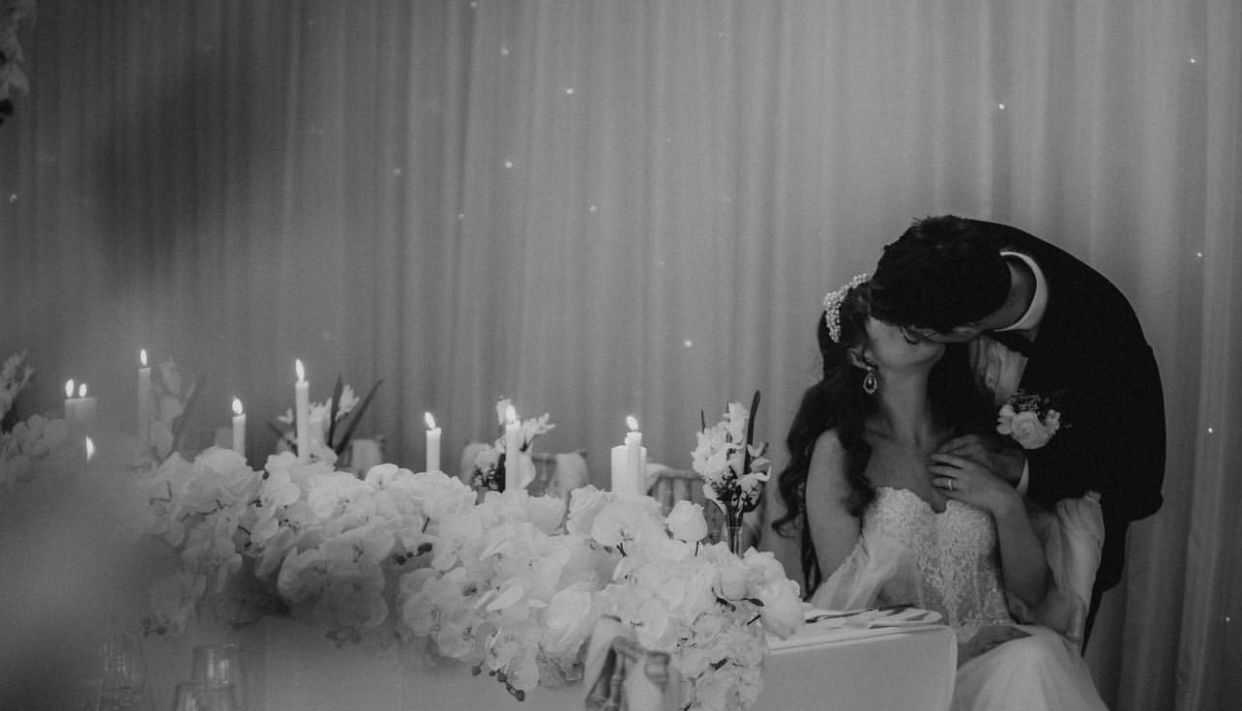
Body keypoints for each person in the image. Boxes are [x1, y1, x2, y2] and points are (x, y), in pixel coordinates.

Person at [773, 276, 1108, 710]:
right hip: (903, 677)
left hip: (999, 656)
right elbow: (847, 613)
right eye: (890, 317)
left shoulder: (973, 435)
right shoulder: (839, 452)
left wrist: (1005, 505)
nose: (912, 322)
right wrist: (951, 646)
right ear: (862, 355)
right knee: (1032, 662)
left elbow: (1035, 593)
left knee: (1035, 658)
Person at [868, 215, 1165, 641]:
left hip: (1063, 520)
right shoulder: (947, 256)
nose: (906, 338)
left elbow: (1135, 471)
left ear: (967, 331)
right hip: (946, 533)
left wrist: (1019, 468)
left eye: (916, 334)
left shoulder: (1104, 328)